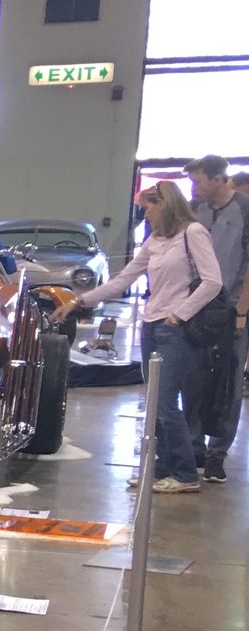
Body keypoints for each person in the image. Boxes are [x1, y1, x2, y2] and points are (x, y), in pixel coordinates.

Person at [71, 180, 222, 494]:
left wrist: (180, 313)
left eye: (148, 207)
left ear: (164, 203)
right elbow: (125, 279)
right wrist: (80, 300)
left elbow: (212, 282)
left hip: (176, 329)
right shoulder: (155, 240)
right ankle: (160, 470)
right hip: (152, 326)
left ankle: (185, 474)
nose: (145, 214)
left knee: (166, 403)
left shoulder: (192, 233)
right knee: (153, 404)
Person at [186, 155, 249, 482]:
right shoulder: (195, 211)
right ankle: (194, 447)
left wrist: (240, 310)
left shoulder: (244, 209)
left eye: (198, 181)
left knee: (228, 383)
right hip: (197, 308)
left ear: (218, 178)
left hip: (232, 310)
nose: (194, 188)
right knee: (194, 379)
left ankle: (216, 454)